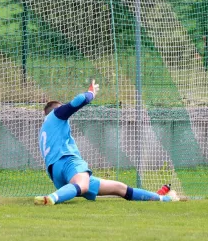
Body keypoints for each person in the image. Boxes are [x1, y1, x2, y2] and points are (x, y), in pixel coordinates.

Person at [35, 80, 179, 205]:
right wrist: (91, 93)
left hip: (57, 173)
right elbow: (78, 100)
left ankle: (163, 199)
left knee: (119, 188)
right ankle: (51, 198)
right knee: (82, 185)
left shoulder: (44, 130)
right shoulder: (56, 114)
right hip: (68, 162)